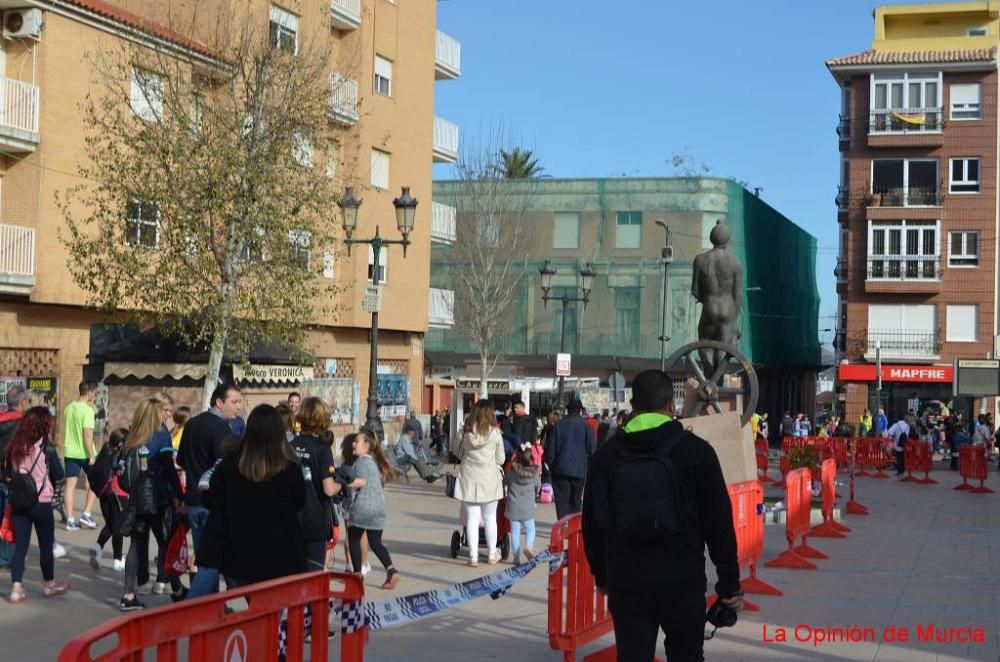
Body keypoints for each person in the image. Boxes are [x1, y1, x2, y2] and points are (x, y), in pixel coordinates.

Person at [582, 369, 742, 661]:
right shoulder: (696, 452)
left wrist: (602, 576)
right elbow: (718, 523)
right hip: (682, 581)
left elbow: (593, 523)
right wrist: (730, 585)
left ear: (633, 405)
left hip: (627, 581)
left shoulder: (606, 456)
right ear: (671, 405)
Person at [205, 405, 306, 590]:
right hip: (279, 552)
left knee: (253, 604)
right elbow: (300, 500)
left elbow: (211, 496)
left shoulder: (232, 463)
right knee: (270, 607)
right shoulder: (289, 466)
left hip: (239, 551)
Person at [118, 398, 186, 610]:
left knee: (136, 545)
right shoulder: (161, 436)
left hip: (136, 498)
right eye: (162, 412)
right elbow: (168, 468)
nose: (165, 416)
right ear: (155, 415)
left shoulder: (131, 437)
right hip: (156, 497)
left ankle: (128, 595)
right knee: (166, 542)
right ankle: (176, 589)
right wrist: (179, 496)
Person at [3, 406, 70, 603]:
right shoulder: (46, 447)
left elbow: (5, 472)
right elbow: (58, 474)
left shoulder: (14, 445)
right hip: (41, 503)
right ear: (44, 425)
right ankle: (49, 584)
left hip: (18, 502)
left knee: (20, 547)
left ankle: (16, 588)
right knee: (45, 546)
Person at [177, 384, 242, 559]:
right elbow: (225, 467)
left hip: (193, 501)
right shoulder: (221, 428)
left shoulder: (191, 424)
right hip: (211, 503)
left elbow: (180, 460)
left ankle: (201, 586)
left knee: (202, 556)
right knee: (214, 559)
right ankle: (206, 588)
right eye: (234, 402)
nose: (239, 407)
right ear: (219, 402)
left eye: (240, 402)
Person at [291, 397, 344, 570]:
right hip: (315, 521)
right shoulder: (322, 449)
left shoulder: (291, 445)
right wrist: (342, 484)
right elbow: (328, 489)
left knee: (294, 574)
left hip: (292, 518)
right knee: (313, 573)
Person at [346, 430, 400, 589]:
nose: (353, 444)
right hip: (378, 511)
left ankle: (357, 576)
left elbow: (361, 482)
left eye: (357, 441)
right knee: (376, 543)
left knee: (353, 540)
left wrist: (343, 481)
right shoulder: (374, 464)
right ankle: (391, 570)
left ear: (367, 445)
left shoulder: (361, 462)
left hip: (363, 508)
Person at [455, 400, 505, 567]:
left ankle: (473, 556)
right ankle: (491, 554)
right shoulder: (496, 434)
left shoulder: (466, 432)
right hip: (489, 479)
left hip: (469, 477)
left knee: (472, 518)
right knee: (491, 518)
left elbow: (458, 452)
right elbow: (501, 458)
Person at [544, 399, 596, 519]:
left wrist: (550, 466)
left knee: (562, 501)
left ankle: (563, 526)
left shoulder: (558, 426)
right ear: (580, 411)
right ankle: (574, 528)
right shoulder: (587, 428)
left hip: (560, 469)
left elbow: (551, 450)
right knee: (576, 500)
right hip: (580, 470)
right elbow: (592, 451)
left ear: (568, 410)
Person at [89, 427, 129, 573]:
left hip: (104, 494)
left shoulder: (105, 450)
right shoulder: (118, 455)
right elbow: (120, 471)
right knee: (118, 529)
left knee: (111, 526)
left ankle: (97, 547)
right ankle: (118, 561)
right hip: (118, 494)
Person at [0, 386, 30, 569]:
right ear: (21, 403)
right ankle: (7, 558)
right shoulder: (22, 424)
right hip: (11, 478)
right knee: (10, 518)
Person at [63, 381, 99, 531]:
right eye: (95, 392)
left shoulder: (68, 407)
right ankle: (86, 514)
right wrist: (92, 455)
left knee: (70, 486)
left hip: (69, 452)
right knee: (96, 483)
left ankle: (70, 520)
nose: (95, 395)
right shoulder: (87, 410)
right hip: (84, 453)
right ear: (90, 392)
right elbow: (87, 434)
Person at [504, 443, 541, 564]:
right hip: (528, 508)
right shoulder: (534, 475)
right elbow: (538, 487)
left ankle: (516, 556)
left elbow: (504, 482)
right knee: (531, 529)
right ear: (531, 459)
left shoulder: (511, 473)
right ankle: (528, 547)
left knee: (515, 531)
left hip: (513, 507)